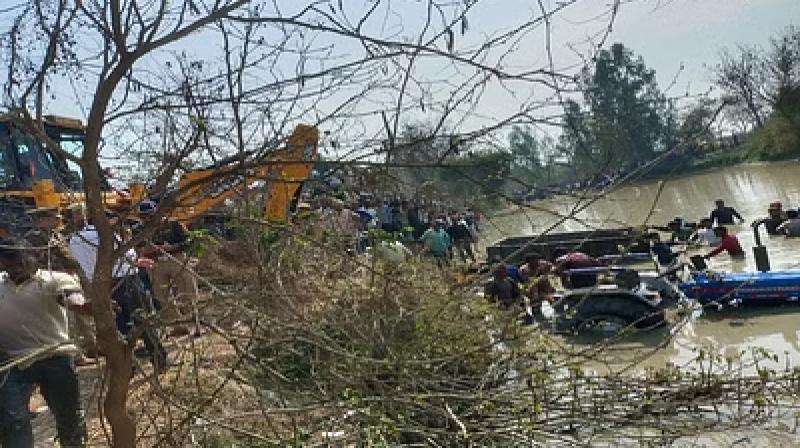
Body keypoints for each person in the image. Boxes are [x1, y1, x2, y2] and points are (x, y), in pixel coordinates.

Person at [0, 239, 88, 447]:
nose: (16, 268)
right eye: (9, 263)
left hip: (55, 356)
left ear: (34, 258)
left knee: (69, 418)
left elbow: (71, 298)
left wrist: (87, 307)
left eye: (21, 262)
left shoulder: (54, 281)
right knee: (13, 421)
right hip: (14, 364)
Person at [69, 217, 167, 372]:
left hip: (100, 284)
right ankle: (158, 359)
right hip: (125, 280)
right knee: (143, 320)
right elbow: (127, 256)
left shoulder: (74, 240)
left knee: (120, 326)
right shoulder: (105, 235)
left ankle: (128, 366)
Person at [138, 201, 199, 337]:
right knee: (162, 295)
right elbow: (137, 248)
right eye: (143, 216)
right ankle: (177, 325)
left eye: (149, 215)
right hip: (154, 263)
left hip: (176, 258)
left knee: (188, 290)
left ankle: (195, 324)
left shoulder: (173, 224)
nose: (147, 219)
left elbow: (189, 241)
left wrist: (172, 247)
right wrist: (146, 251)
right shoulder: (139, 230)